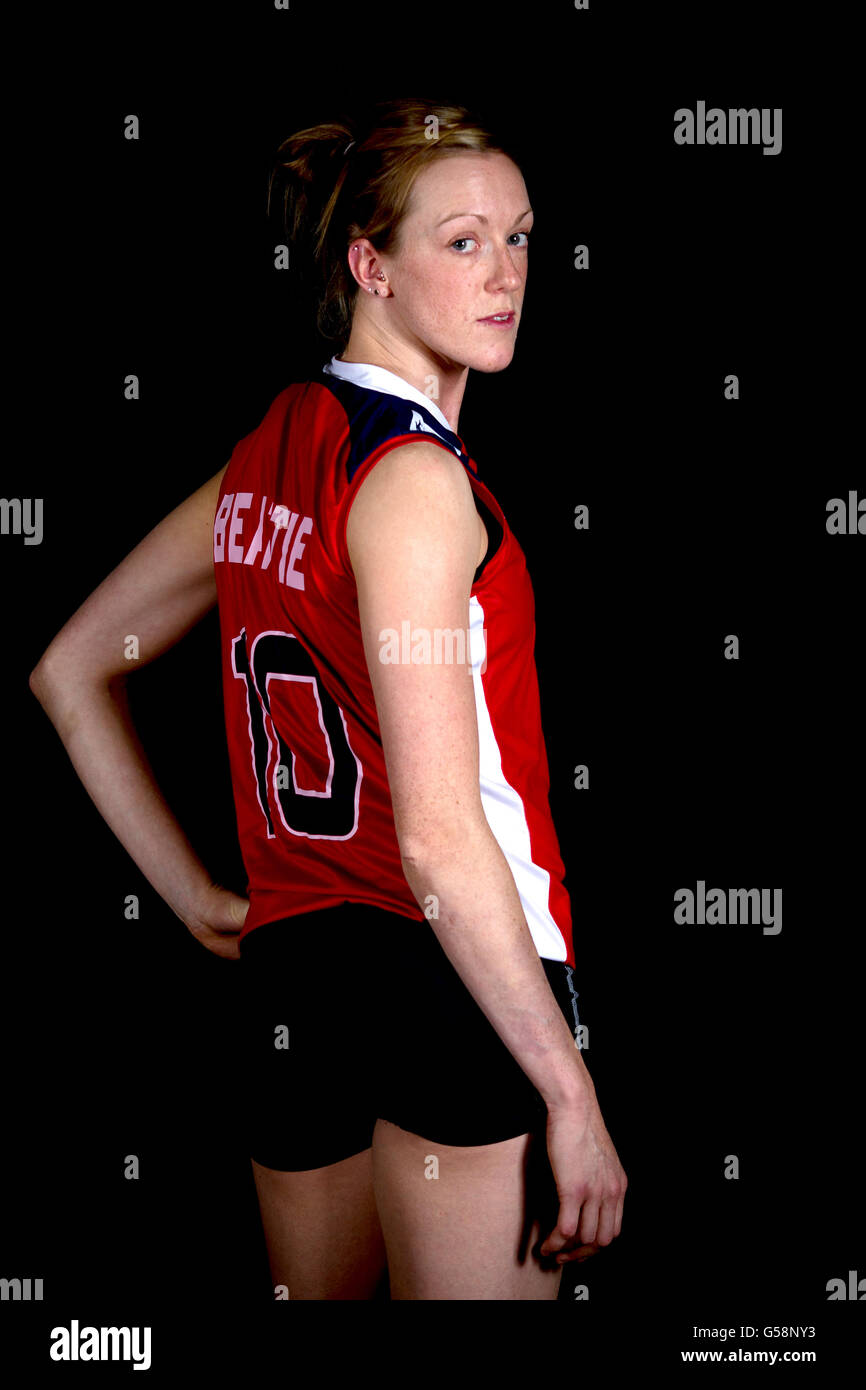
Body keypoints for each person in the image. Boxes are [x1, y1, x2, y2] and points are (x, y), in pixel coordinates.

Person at [29, 97, 627, 1300]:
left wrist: (203, 899)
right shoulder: (409, 477)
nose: (505, 273)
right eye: (461, 241)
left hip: (298, 982)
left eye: (519, 238)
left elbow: (68, 666)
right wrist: (570, 1092)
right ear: (371, 264)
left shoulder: (272, 446)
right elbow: (437, 837)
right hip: (451, 981)